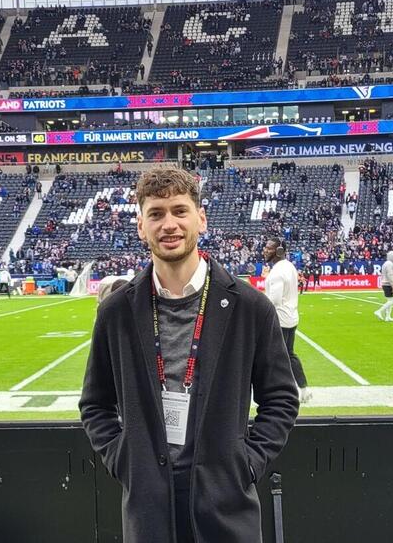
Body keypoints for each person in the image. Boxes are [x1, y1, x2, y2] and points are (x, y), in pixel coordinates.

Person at [79, 167, 299, 543]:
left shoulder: (250, 307)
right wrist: (124, 460)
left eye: (180, 211)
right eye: (156, 213)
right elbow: (95, 404)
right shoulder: (116, 312)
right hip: (149, 507)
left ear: (201, 219)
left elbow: (280, 398)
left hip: (225, 503)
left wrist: (245, 463)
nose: (169, 224)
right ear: (141, 226)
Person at [263, 237, 311, 403]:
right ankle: (303, 388)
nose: (265, 250)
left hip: (280, 319)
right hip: (291, 316)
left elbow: (273, 301)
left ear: (279, 251)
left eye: (269, 248)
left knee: (275, 358)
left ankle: (282, 392)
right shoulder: (289, 266)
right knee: (288, 354)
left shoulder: (277, 272)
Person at [375, 251, 393, 322]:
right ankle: (379, 311)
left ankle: (388, 317)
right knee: (392, 300)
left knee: (390, 300)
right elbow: (390, 275)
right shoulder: (389, 264)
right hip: (388, 284)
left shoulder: (386, 263)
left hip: (386, 283)